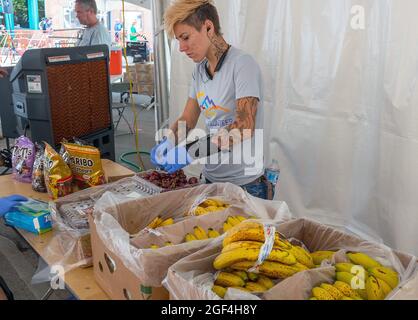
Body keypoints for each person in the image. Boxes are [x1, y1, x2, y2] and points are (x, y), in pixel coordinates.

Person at [150, 0, 268, 199]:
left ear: (208, 27)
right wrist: (169, 141)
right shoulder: (199, 72)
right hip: (211, 179)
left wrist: (191, 152)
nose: (181, 48)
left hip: (245, 185)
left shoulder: (242, 65)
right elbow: (188, 119)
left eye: (185, 37)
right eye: (179, 40)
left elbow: (244, 126)